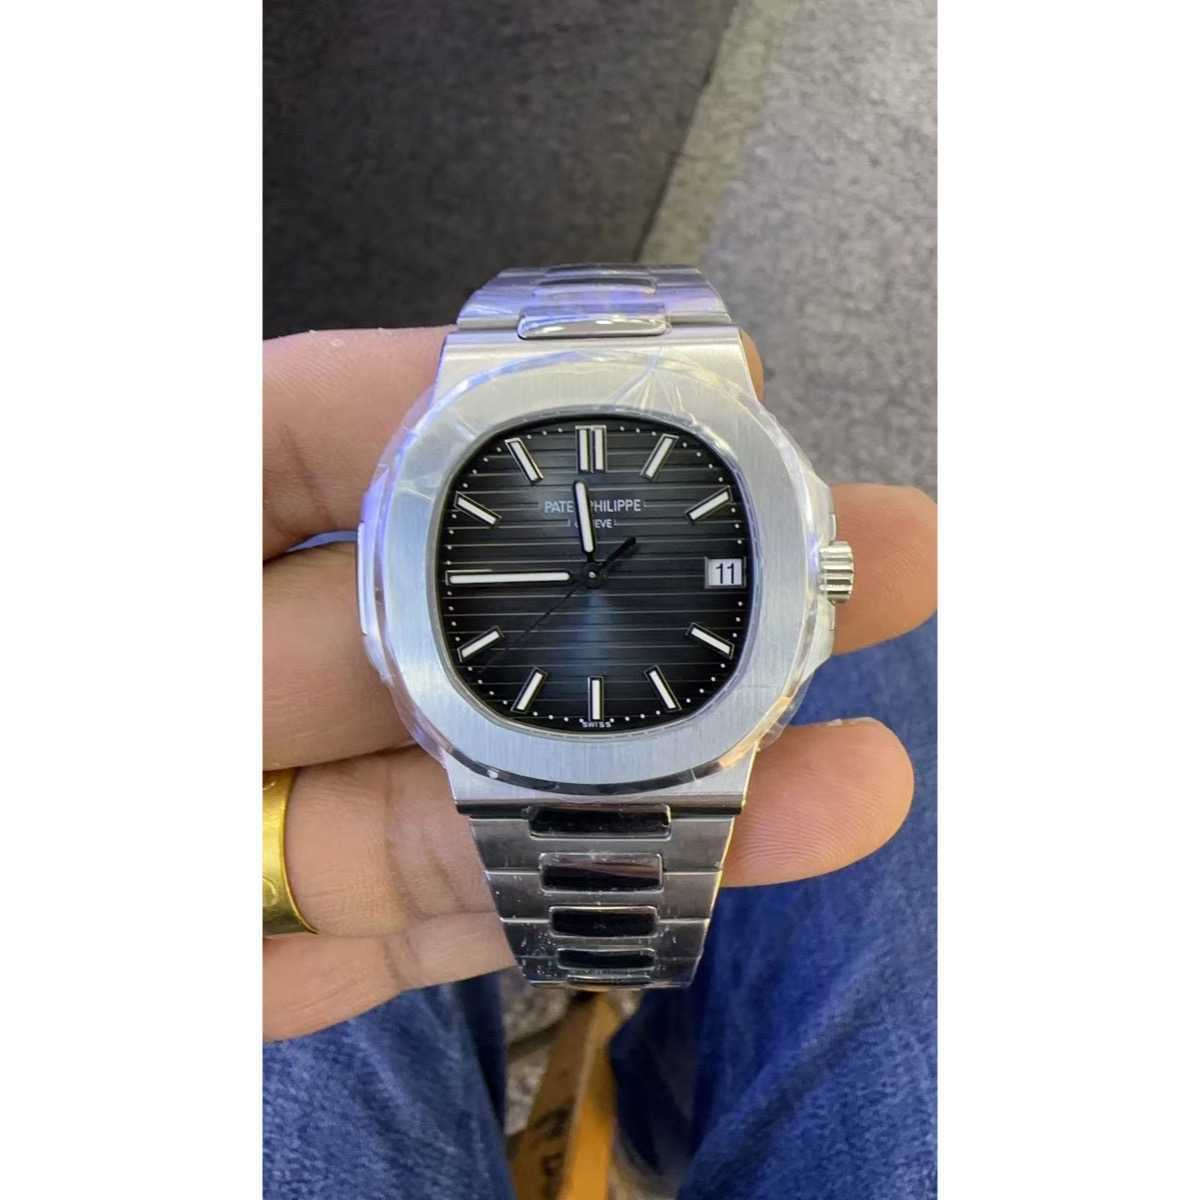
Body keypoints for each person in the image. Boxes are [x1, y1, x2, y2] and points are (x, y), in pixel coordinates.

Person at [262, 327, 938, 1198]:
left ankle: (642, 1118)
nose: (593, 581)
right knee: (896, 678)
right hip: (530, 723)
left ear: (820, 574)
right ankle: (649, 1130)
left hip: (612, 711)